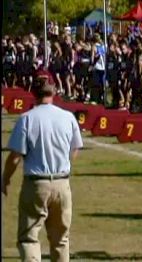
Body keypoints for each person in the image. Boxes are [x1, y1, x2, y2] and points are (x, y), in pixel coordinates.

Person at [2, 78, 83, 262]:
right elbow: (75, 148)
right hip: (62, 182)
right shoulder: (67, 117)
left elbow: (15, 156)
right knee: (60, 240)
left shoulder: (27, 118)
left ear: (33, 93)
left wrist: (5, 178)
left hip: (36, 183)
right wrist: (64, 162)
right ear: (54, 92)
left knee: (29, 238)